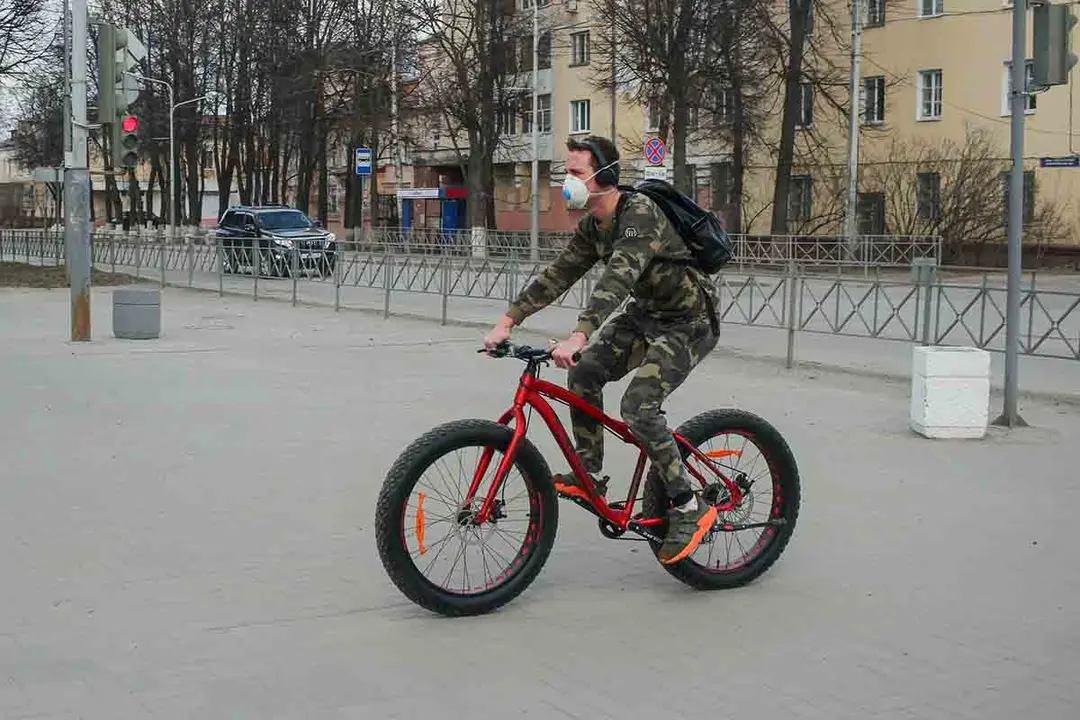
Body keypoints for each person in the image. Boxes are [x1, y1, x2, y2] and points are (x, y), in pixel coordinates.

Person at [483, 135, 722, 565]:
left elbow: (618, 278)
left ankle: (689, 506)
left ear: (604, 177)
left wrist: (579, 335)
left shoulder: (639, 215)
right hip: (647, 316)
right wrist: (508, 321)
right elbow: (559, 274)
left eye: (574, 173)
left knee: (639, 407)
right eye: (565, 174)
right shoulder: (593, 227)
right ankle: (589, 474)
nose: (565, 183)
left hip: (689, 322)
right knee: (585, 373)